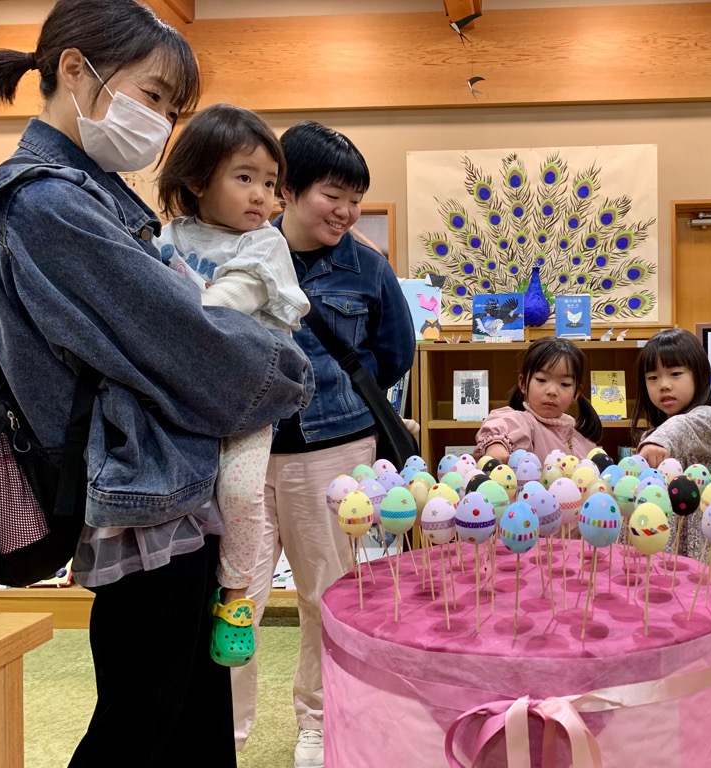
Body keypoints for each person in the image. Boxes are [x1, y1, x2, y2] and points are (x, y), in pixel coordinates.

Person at [0, 2, 311, 765]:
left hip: (165, 487)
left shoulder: (87, 195)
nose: (159, 123)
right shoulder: (48, 203)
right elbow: (192, 345)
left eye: (171, 109)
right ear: (74, 69)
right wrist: (288, 367)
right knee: (144, 722)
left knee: (189, 718)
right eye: (153, 96)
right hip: (145, 496)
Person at [230, 120, 415, 767]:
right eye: (333, 195)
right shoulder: (241, 249)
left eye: (355, 199)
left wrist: (336, 399)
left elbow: (395, 351)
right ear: (288, 189)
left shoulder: (367, 266)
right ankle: (225, 731)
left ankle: (318, 722)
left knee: (326, 596)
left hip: (334, 453)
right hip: (243, 450)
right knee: (236, 601)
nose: (346, 211)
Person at [154, 103, 310, 665]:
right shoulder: (167, 236)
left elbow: (224, 306)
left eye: (269, 183)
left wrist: (171, 317)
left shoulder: (263, 243)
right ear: (198, 180)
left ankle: (238, 596)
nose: (261, 196)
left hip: (244, 397)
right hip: (181, 396)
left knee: (242, 492)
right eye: (245, 178)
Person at [632, 327, 711, 558]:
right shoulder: (651, 437)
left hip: (693, 555)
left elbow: (683, 427)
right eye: (653, 378)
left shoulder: (707, 419)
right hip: (657, 550)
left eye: (675, 373)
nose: (663, 385)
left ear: (699, 375)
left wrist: (658, 442)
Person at [475, 336, 603, 465]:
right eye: (541, 380)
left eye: (565, 384)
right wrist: (496, 447)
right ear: (523, 384)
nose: (552, 391)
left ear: (576, 393)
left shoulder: (585, 443)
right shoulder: (523, 423)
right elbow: (501, 425)